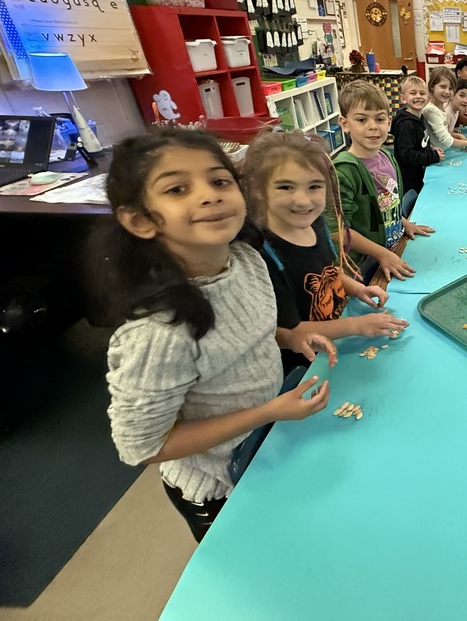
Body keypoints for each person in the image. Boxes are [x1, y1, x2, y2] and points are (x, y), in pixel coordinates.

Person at [91, 128, 335, 541]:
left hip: (266, 447)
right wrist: (268, 411)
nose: (209, 195)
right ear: (141, 219)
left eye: (219, 181)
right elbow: (142, 447)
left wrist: (286, 338)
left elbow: (239, 335)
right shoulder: (158, 333)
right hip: (218, 485)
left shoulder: (246, 260)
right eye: (177, 189)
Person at [241, 131, 409, 375]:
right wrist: (357, 325)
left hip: (340, 332)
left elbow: (328, 272)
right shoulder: (264, 256)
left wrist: (356, 288)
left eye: (314, 186)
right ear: (257, 190)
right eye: (285, 187)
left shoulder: (315, 223)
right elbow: (292, 332)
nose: (302, 200)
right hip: (307, 365)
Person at [335, 81, 434, 282]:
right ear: (345, 124)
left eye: (379, 119)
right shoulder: (344, 170)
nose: (373, 126)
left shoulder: (387, 157)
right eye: (362, 120)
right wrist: (381, 254)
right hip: (364, 265)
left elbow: (387, 202)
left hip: (392, 251)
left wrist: (402, 222)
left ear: (388, 122)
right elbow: (338, 232)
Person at [392, 75, 444, 195]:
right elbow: (408, 155)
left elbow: (420, 141)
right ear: (403, 98)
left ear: (428, 97)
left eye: (422, 93)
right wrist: (433, 157)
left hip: (419, 173)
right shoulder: (406, 125)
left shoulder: (420, 117)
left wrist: (430, 148)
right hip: (409, 179)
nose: (418, 96)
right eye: (413, 93)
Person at [422, 67, 467, 153]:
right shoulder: (431, 111)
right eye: (443, 86)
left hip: (443, 151)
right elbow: (447, 140)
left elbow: (445, 132)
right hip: (436, 155)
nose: (447, 92)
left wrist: (458, 136)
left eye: (451, 88)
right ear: (432, 86)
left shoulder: (440, 108)